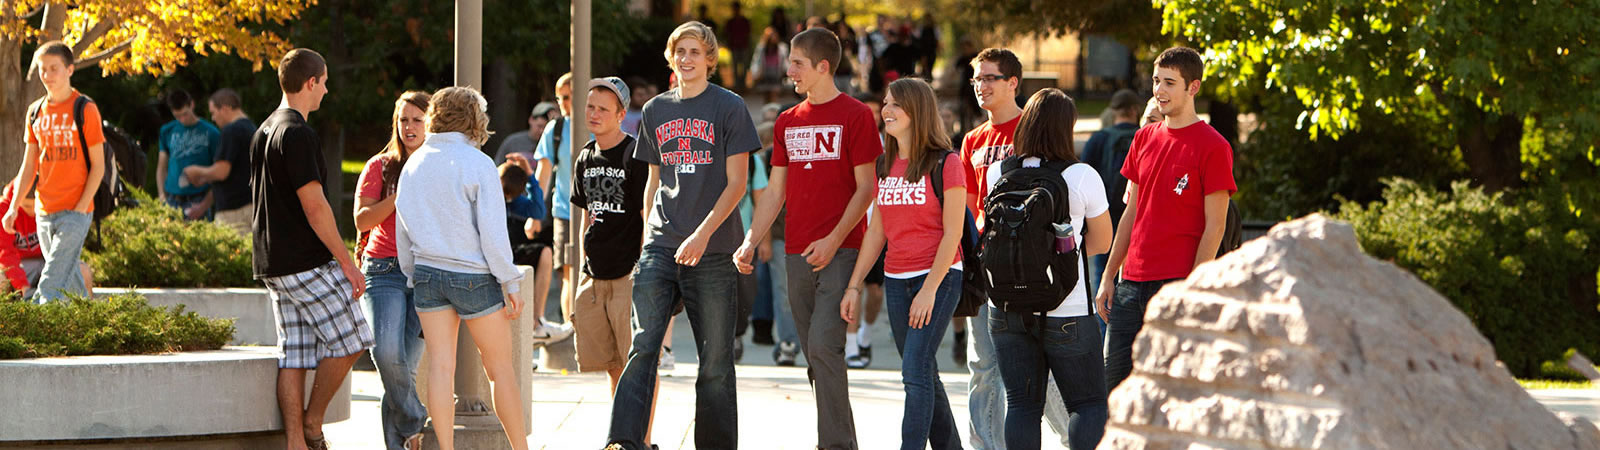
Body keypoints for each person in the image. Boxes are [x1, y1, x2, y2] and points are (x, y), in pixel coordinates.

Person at [605, 21, 759, 450]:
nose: (686, 59)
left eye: (694, 52)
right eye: (680, 52)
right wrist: (645, 237)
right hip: (661, 243)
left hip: (713, 249)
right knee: (643, 347)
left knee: (713, 362)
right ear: (671, 59)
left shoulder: (729, 107)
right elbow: (653, 182)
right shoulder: (655, 109)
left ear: (709, 58)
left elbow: (737, 184)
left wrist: (702, 235)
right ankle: (623, 442)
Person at [736, 27, 880, 449]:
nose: (788, 71)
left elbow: (866, 188)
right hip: (797, 252)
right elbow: (775, 192)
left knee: (823, 345)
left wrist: (835, 239)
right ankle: (838, 439)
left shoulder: (855, 116)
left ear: (822, 67)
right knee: (816, 356)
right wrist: (750, 239)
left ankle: (834, 445)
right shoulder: (786, 121)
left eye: (796, 63)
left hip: (842, 250)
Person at [249, 48, 372, 450]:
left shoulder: (264, 129)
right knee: (354, 340)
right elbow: (315, 206)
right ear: (311, 82)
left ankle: (296, 443)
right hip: (305, 262)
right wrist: (347, 263)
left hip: (272, 264)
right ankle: (313, 424)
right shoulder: (298, 132)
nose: (326, 91)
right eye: (324, 82)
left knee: (296, 355)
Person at [394, 86, 528, 450]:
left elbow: (402, 230)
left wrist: (412, 273)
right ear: (474, 118)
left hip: (426, 273)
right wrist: (510, 282)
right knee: (500, 370)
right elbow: (493, 235)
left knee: (440, 367)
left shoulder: (415, 163)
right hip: (473, 276)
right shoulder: (478, 163)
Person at [1097, 47, 1236, 392]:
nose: (1159, 90)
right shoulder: (1143, 137)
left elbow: (1215, 226)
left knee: (1170, 393)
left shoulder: (1214, 146)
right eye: (1156, 81)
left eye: (1169, 83)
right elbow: (1131, 211)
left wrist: (1193, 289)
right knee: (1116, 392)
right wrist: (1108, 275)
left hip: (1176, 284)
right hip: (1131, 284)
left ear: (1193, 87)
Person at [840, 77, 962, 450]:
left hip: (937, 279)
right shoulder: (885, 164)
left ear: (916, 111)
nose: (886, 111)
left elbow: (952, 234)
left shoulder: (947, 163)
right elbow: (876, 232)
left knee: (913, 373)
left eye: (895, 105)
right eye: (885, 102)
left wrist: (928, 291)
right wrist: (854, 285)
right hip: (896, 280)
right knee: (924, 372)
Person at [986, 88, 1112, 450]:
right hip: (1067, 308)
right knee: (1087, 405)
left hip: (1006, 308)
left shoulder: (998, 172)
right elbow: (1102, 242)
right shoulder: (1081, 175)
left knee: (1023, 406)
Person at [959, 47, 1072, 449]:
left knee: (1036, 367)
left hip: (1031, 266)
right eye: (976, 78)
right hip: (987, 267)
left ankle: (1079, 438)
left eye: (989, 78)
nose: (980, 86)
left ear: (1012, 83)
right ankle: (987, 445)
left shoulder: (1033, 131)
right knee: (983, 365)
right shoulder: (972, 140)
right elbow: (968, 207)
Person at [352, 90, 431, 450]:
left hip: (427, 274)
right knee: (386, 354)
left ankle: (398, 445)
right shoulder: (379, 167)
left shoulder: (438, 165)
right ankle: (416, 420)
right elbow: (361, 218)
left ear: (430, 123)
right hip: (383, 270)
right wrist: (399, 196)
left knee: (402, 372)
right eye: (403, 120)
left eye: (417, 119)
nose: (409, 127)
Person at [7, 41, 106, 303]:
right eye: (43, 70)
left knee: (50, 280)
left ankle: (38, 325)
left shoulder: (85, 109)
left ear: (70, 70)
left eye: (54, 69)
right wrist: (14, 206)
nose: (48, 76)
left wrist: (81, 207)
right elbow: (29, 165)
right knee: (69, 277)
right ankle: (90, 325)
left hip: (76, 210)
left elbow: (99, 165)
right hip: (44, 211)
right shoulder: (35, 112)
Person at [1079, 89, 1144, 321]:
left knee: (1103, 276)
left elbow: (1083, 175)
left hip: (1104, 215)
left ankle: (1106, 328)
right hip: (1137, 216)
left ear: (1113, 110)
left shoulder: (1099, 138)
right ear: (1135, 110)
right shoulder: (1144, 136)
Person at [533, 73, 582, 345]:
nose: (563, 102)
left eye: (568, 96)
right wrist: (534, 211)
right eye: (560, 97)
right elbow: (543, 174)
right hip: (565, 210)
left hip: (598, 211)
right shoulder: (556, 129)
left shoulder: (596, 123)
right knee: (569, 271)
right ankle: (571, 330)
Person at [0, 183, 93, 299]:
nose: (31, 212)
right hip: (21, 266)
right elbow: (6, 254)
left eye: (34, 207)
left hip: (50, 261)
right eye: (26, 206)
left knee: (83, 271)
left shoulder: (55, 205)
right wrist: (23, 286)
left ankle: (85, 314)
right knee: (1, 279)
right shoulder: (4, 209)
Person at [183, 88, 256, 235]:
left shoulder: (231, 130)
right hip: (252, 206)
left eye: (213, 112)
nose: (213, 118)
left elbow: (222, 172)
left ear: (225, 108)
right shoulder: (252, 128)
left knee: (232, 256)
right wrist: (205, 179)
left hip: (234, 213)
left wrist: (195, 171)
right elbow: (236, 174)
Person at [157, 89, 221, 221]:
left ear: (192, 105)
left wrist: (204, 205)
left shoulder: (211, 132)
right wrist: (162, 197)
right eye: (177, 116)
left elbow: (218, 173)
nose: (182, 119)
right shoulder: (167, 131)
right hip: (172, 199)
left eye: (185, 114)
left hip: (198, 198)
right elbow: (161, 167)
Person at [494, 102, 558, 166]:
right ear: (531, 120)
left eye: (545, 128)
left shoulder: (552, 145)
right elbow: (497, 166)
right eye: (539, 126)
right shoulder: (513, 142)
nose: (541, 131)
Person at [747, 27, 790, 104]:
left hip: (776, 74)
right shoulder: (761, 48)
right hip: (764, 73)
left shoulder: (781, 48)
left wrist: (787, 72)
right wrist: (755, 73)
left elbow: (785, 60)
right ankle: (767, 112)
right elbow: (756, 60)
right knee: (766, 95)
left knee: (774, 94)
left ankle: (773, 112)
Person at [726, 1, 752, 91]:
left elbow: (748, 34)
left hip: (743, 46)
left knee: (744, 67)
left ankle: (743, 85)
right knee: (735, 67)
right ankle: (737, 85)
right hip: (734, 47)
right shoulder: (730, 22)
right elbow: (727, 34)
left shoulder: (744, 21)